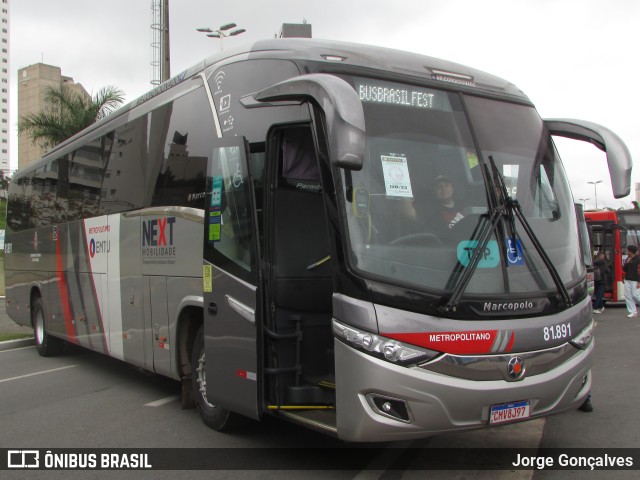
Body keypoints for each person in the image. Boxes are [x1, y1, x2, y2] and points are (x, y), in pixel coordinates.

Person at [622, 244, 640, 318]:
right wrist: (627, 263)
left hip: (635, 280)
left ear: (631, 251)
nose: (627, 251)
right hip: (627, 279)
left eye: (627, 250)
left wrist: (639, 281)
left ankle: (633, 311)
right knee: (628, 296)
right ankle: (633, 311)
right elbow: (624, 269)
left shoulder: (638, 258)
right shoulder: (628, 258)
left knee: (635, 295)